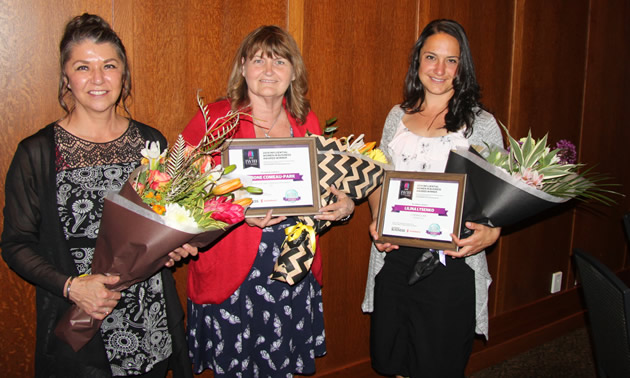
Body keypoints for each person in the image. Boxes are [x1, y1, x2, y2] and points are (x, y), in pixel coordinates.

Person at [1, 13, 196, 377]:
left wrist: (177, 243)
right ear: (66, 78)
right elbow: (15, 244)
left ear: (124, 76)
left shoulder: (151, 143)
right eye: (83, 67)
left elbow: (165, 225)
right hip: (80, 325)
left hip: (148, 321)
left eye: (109, 65)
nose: (97, 79)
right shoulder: (38, 153)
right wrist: (72, 286)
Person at [182, 25, 354, 377]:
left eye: (279, 61)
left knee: (281, 365)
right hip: (232, 268)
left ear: (294, 73)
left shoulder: (306, 123)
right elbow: (177, 192)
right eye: (258, 60)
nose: (269, 70)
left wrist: (344, 205)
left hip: (291, 267)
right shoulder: (214, 119)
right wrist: (236, 213)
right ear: (242, 68)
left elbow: (325, 186)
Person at [362, 19, 504, 377]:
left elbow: (501, 192)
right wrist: (378, 219)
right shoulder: (397, 116)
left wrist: (493, 232)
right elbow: (379, 178)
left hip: (450, 263)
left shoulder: (481, 123)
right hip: (394, 259)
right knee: (394, 359)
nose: (440, 69)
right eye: (431, 57)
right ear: (417, 62)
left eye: (451, 60)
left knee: (438, 363)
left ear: (462, 66)